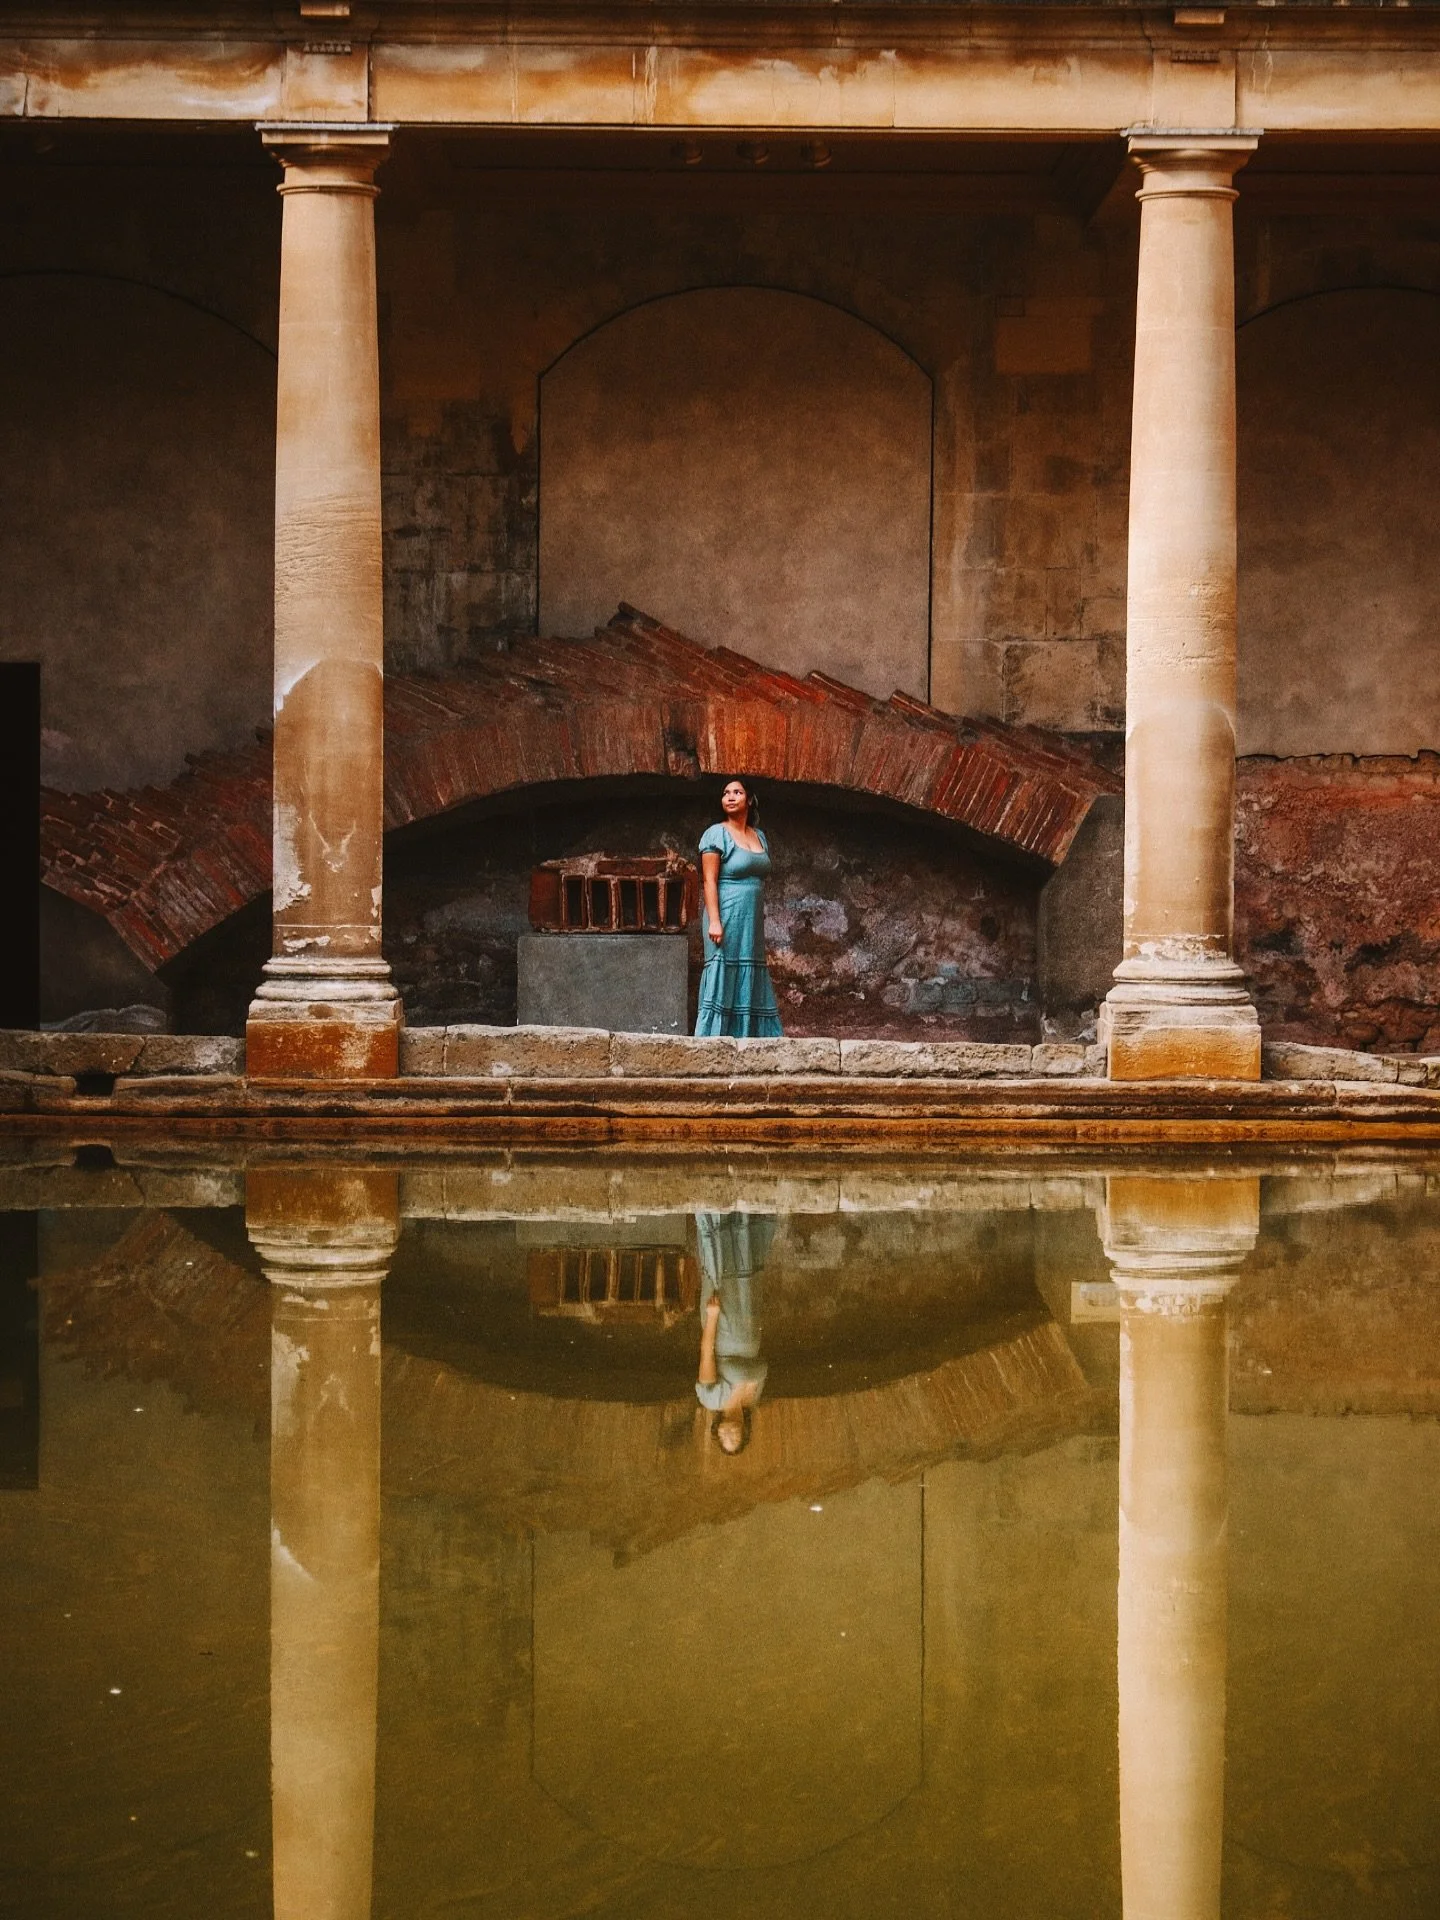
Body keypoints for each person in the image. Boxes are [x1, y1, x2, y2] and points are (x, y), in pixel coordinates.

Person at [695, 777, 783, 1038]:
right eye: (725, 793)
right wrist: (714, 920)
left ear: (750, 799)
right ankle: (711, 1041)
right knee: (723, 968)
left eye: (737, 792)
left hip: (750, 920)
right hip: (725, 914)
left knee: (750, 969)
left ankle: (750, 1038)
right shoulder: (716, 833)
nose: (730, 797)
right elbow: (709, 880)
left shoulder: (760, 837)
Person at [694, 1211, 774, 1454]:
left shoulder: (712, 1400)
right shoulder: (753, 1400)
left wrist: (713, 1316)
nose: (729, 1433)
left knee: (722, 1261)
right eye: (734, 1436)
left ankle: (716, 1209)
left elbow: (706, 1352)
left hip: (724, 1323)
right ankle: (744, 1210)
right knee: (745, 1255)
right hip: (747, 1309)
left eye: (724, 1436)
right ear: (744, 1431)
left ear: (716, 1431)